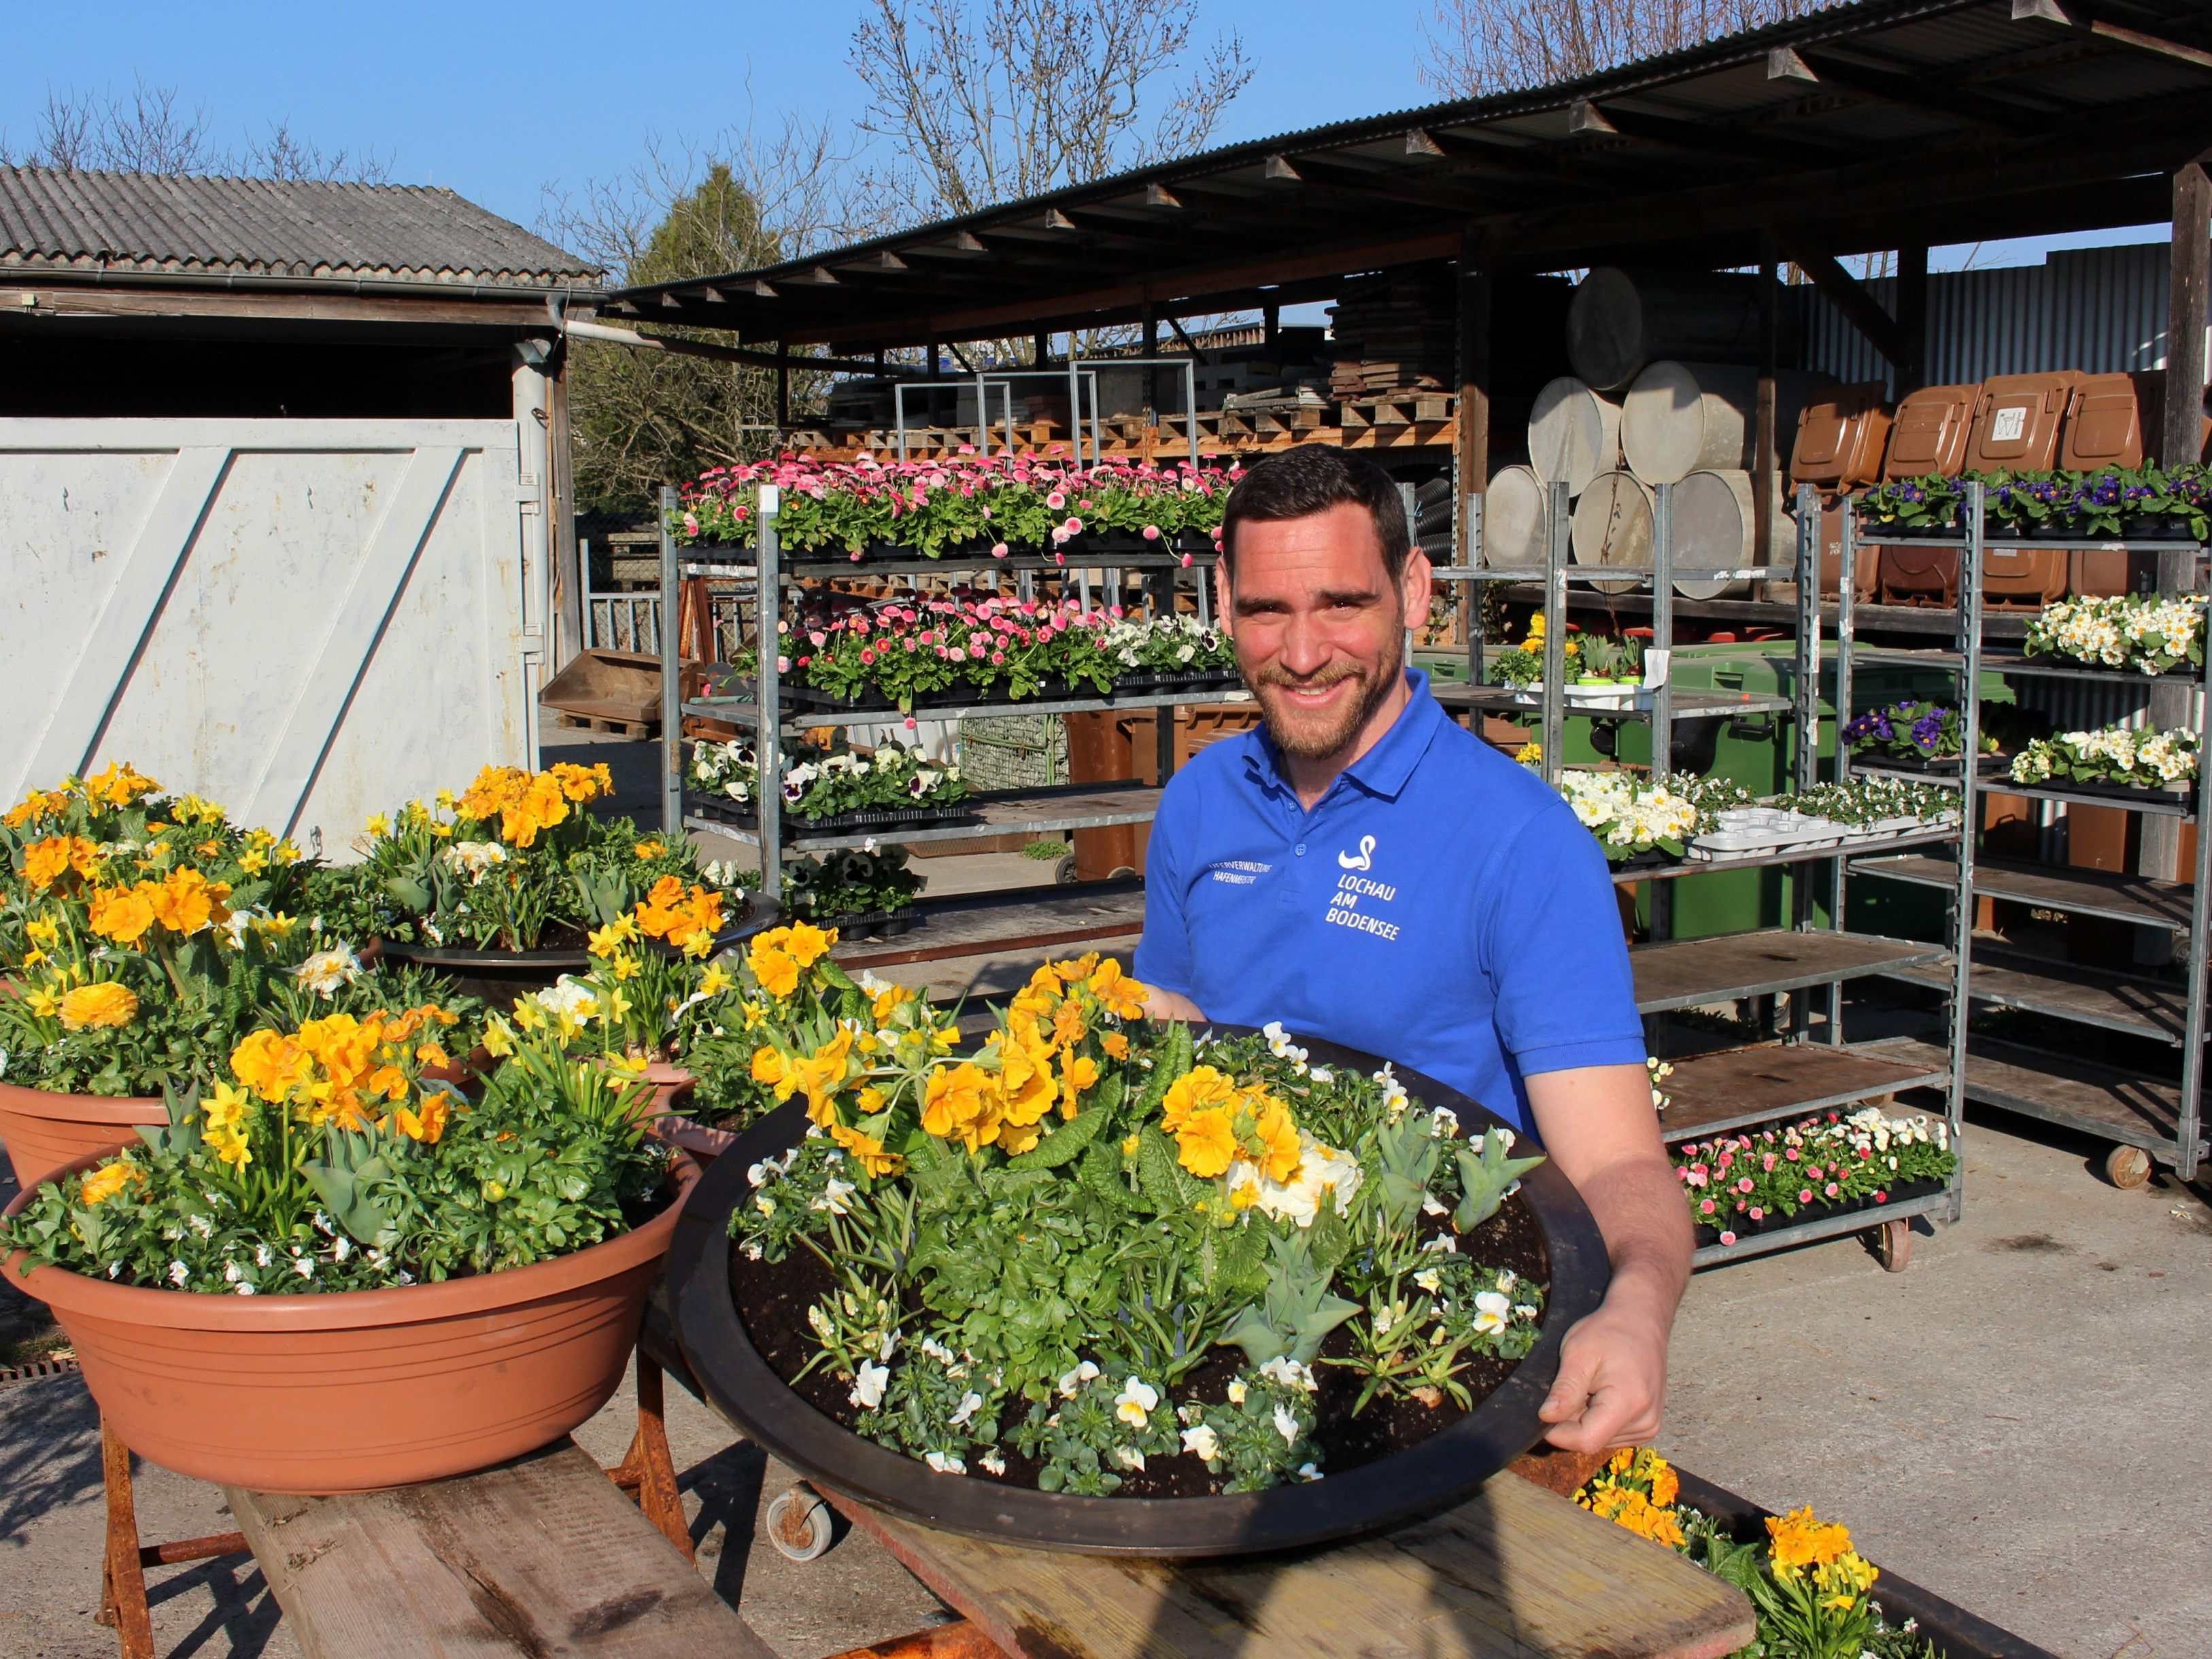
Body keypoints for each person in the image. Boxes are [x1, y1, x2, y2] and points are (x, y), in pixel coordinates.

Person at [1133, 444, 1690, 1454]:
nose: (1301, 654)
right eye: (1265, 611)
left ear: (1413, 591)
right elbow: (1169, 1018)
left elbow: (1615, 1160)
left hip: (1421, 1343)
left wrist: (1638, 1307)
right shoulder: (1199, 802)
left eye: (1341, 603)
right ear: (1223, 604)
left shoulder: (1521, 844)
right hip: (1208, 1313)